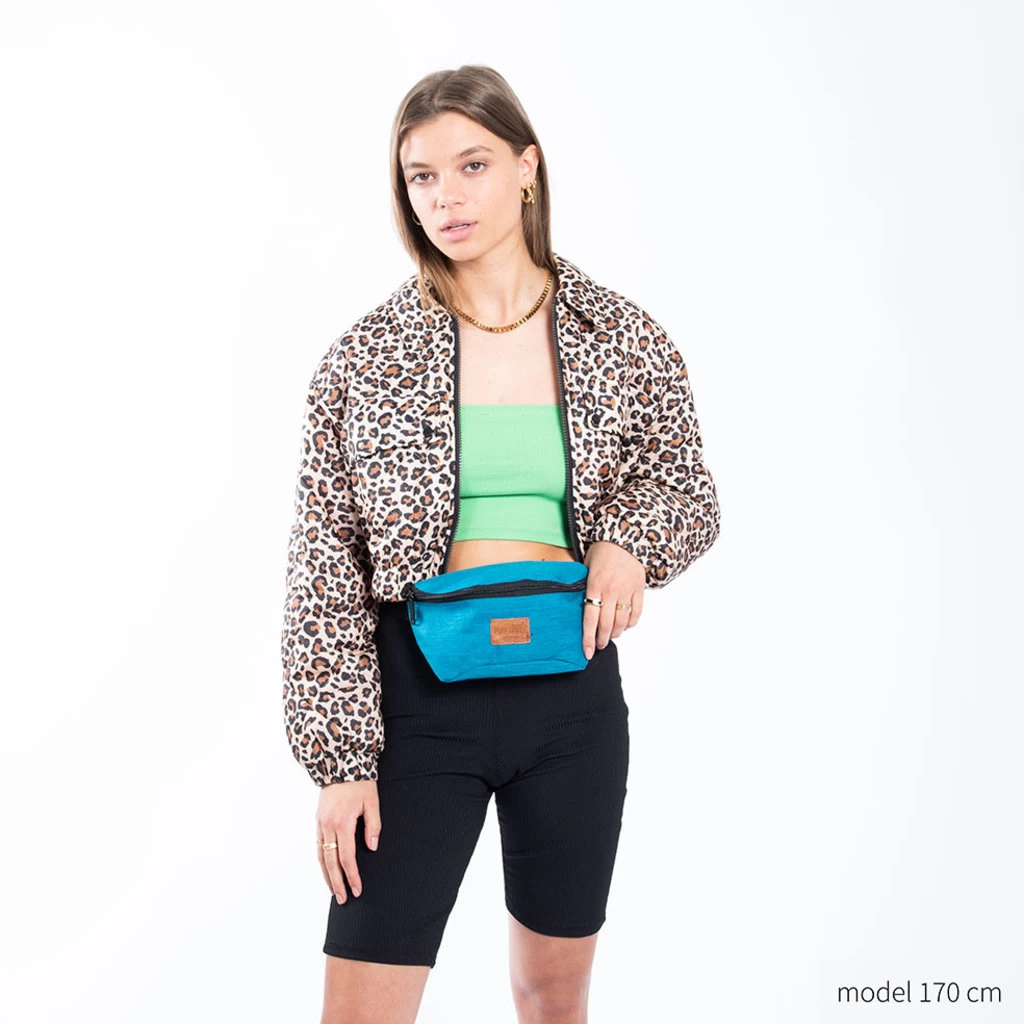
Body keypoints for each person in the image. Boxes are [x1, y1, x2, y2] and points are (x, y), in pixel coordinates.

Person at [280, 64, 722, 1024]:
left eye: (472, 165)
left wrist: (632, 543)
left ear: (528, 167)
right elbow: (323, 567)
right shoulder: (365, 358)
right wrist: (340, 759)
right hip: (414, 709)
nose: (446, 196)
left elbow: (687, 489)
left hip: (571, 700)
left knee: (552, 998)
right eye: (422, 176)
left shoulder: (620, 337)